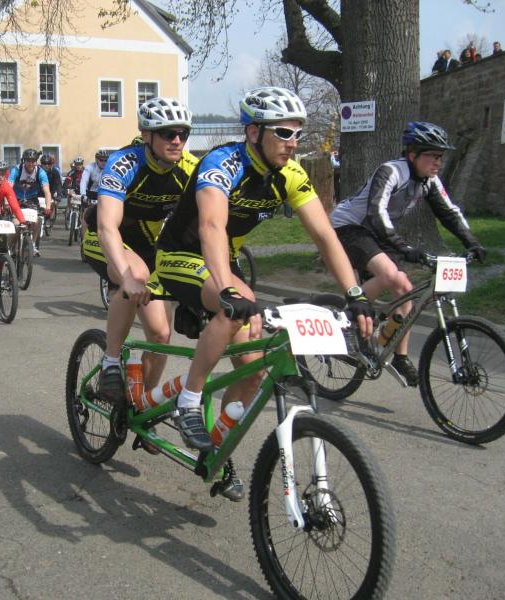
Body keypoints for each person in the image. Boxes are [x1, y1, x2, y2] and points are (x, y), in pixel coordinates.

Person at [156, 86, 374, 457]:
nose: (293, 142)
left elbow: (324, 235)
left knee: (253, 370)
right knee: (237, 304)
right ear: (254, 132)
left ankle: (216, 450)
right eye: (284, 132)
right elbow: (211, 226)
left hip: (224, 261)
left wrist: (355, 294)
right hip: (180, 254)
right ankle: (188, 401)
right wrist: (226, 289)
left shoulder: (290, 173)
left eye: (298, 133)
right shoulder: (223, 163)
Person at [330, 121, 486, 387]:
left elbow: (449, 213)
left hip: (376, 232)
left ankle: (400, 357)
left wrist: (473, 243)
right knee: (389, 274)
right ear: (412, 154)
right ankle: (347, 327)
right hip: (349, 226)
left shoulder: (429, 181)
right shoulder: (392, 171)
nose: (438, 162)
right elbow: (376, 212)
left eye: (441, 157)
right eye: (432, 156)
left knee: (405, 290)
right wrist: (404, 247)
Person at [85, 97, 198, 408]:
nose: (177, 141)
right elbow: (107, 226)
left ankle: (142, 405)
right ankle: (110, 363)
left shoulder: (189, 169)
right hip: (103, 239)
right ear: (147, 135)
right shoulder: (124, 163)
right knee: (135, 274)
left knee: (161, 335)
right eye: (168, 133)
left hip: (147, 247)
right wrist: (125, 276)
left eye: (183, 134)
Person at [8, 149, 52, 256]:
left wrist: (48, 207)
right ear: (24, 161)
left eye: (33, 161)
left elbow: (47, 191)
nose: (31, 163)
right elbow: (8, 188)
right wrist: (6, 203)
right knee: (16, 224)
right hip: (17, 200)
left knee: (37, 221)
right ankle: (10, 247)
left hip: (32, 200)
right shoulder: (16, 170)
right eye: (28, 161)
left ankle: (32, 244)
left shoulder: (40, 172)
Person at [40, 153, 63, 231]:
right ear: (41, 164)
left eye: (49, 164)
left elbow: (59, 184)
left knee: (52, 203)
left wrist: (59, 196)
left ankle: (49, 218)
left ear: (51, 164)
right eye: (44, 163)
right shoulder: (37, 171)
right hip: (39, 191)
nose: (46, 165)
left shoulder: (55, 171)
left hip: (51, 191)